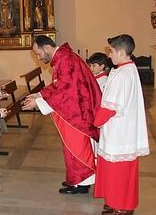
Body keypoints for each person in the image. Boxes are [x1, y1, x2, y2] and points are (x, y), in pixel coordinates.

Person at [23, 35, 101, 194]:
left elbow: (66, 91)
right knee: (70, 147)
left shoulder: (65, 60)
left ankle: (82, 183)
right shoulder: (63, 58)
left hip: (76, 112)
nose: (38, 57)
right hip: (74, 108)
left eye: (38, 53)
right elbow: (60, 85)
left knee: (76, 147)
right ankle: (76, 179)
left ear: (46, 48)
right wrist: (40, 95)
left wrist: (39, 103)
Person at [94, 35, 149, 215]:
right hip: (121, 129)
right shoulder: (127, 70)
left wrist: (94, 121)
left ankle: (123, 206)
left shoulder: (122, 76)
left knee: (120, 172)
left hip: (120, 133)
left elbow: (110, 107)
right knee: (114, 170)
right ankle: (113, 200)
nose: (109, 55)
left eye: (111, 51)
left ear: (121, 52)